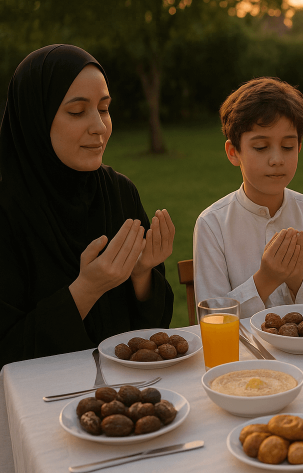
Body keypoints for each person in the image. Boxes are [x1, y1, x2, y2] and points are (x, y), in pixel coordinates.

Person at [0, 45, 175, 368]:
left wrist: (142, 275)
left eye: (104, 108)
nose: (99, 126)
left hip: (125, 389)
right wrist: (86, 289)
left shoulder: (119, 192)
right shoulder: (7, 210)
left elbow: (152, 336)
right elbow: (8, 352)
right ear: (36, 117)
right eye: (77, 111)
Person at [193, 77, 303, 318]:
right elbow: (212, 317)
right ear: (233, 152)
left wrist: (297, 278)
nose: (277, 159)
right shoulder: (212, 224)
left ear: (299, 147)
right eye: (261, 147)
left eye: (288, 147)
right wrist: (266, 279)